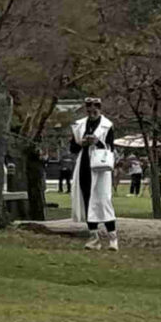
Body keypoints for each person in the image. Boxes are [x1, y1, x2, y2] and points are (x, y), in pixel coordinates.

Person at [68, 94, 119, 251]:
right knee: (87, 199)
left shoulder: (107, 126)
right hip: (84, 165)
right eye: (89, 108)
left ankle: (112, 237)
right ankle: (93, 236)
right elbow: (73, 148)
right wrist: (81, 143)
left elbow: (110, 148)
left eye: (95, 108)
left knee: (103, 200)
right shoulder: (79, 125)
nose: (92, 111)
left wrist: (98, 142)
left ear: (99, 109)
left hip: (100, 167)